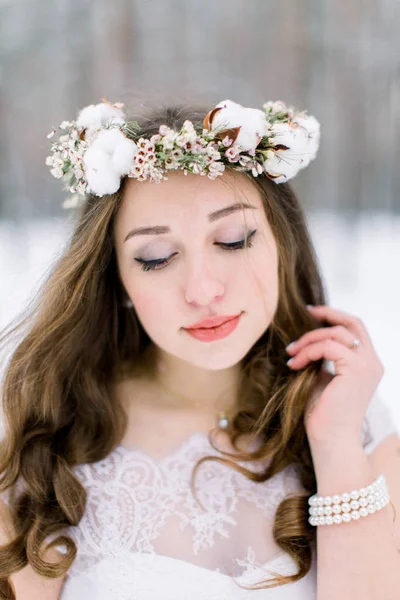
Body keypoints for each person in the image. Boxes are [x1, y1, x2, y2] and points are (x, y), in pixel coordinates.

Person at [0, 98, 398, 599]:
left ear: (282, 243)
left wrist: (335, 443)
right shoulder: (49, 438)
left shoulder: (354, 419)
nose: (203, 290)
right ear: (116, 277)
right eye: (156, 257)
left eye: (233, 240)